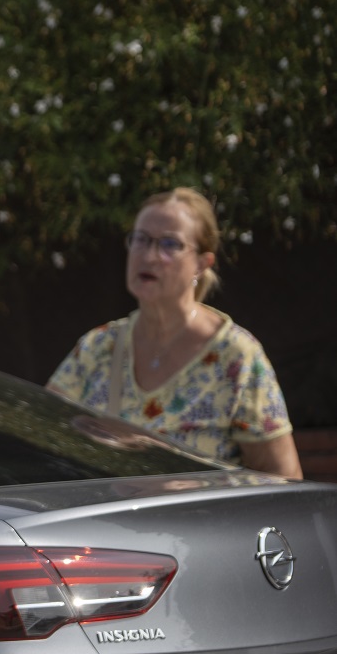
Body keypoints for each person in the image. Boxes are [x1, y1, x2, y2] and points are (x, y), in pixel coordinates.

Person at [47, 187, 302, 478]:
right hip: (98, 522)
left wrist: (198, 491)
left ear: (201, 264)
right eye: (141, 239)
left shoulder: (236, 357)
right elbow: (41, 432)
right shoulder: (98, 346)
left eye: (169, 244)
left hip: (199, 522)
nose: (150, 256)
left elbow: (283, 479)